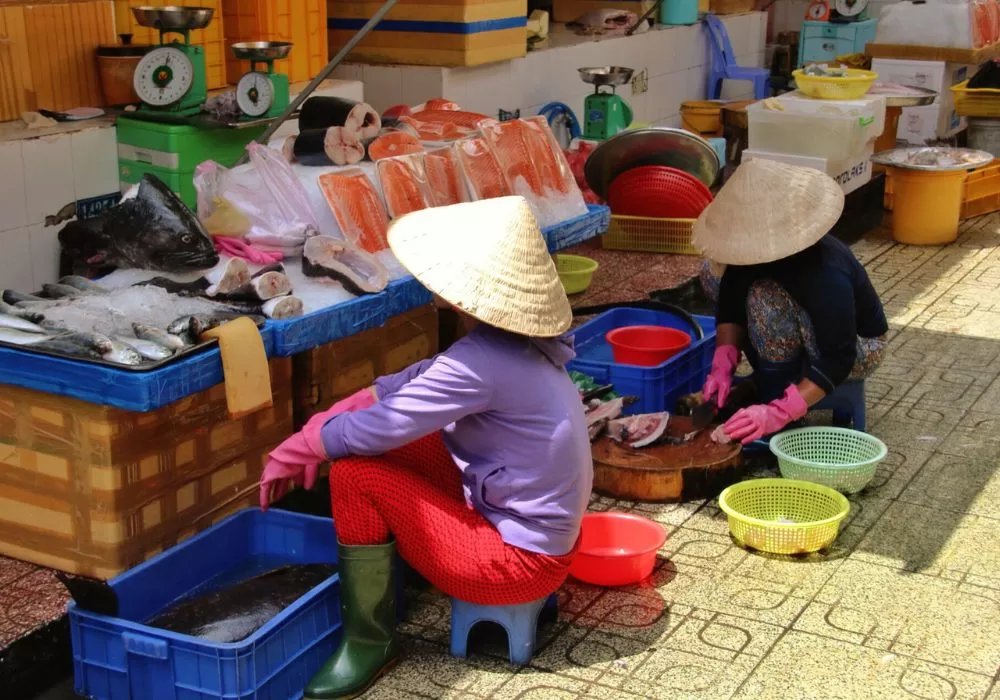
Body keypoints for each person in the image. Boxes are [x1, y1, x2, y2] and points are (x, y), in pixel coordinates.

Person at [259, 196, 592, 700]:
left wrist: (303, 447)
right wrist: (327, 422)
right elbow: (404, 388)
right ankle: (400, 581)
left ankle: (368, 640)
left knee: (353, 473)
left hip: (516, 566)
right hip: (542, 543)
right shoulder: (517, 344)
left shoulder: (482, 361)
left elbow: (382, 428)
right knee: (387, 442)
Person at [691, 158, 888, 444]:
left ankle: (776, 394)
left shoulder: (826, 274)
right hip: (811, 332)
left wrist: (780, 412)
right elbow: (732, 296)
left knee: (765, 301)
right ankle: (767, 378)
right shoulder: (752, 249)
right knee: (713, 272)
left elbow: (839, 357)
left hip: (859, 348)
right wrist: (723, 363)